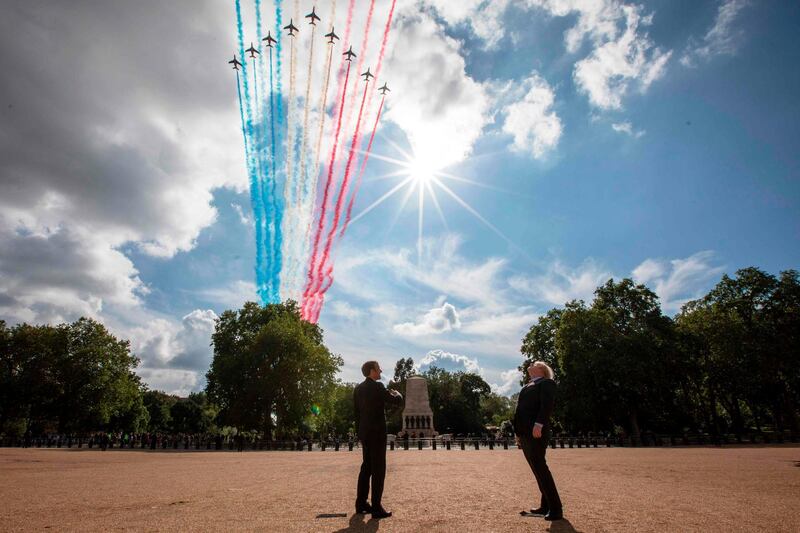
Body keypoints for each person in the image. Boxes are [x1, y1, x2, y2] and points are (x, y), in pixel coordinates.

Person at [513, 361, 563, 521]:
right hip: (525, 432)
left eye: (535, 363)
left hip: (536, 430)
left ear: (541, 369)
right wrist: (518, 433)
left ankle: (556, 508)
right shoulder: (528, 385)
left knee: (541, 468)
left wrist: (539, 424)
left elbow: (546, 405)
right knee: (536, 469)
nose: (530, 364)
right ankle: (546, 505)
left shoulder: (546, 383)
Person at [353, 360, 403, 519]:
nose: (381, 370)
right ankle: (376, 507)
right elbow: (396, 402)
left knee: (366, 468)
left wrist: (359, 433)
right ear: (372, 371)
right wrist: (398, 394)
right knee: (378, 470)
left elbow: (356, 414)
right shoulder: (377, 387)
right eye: (378, 368)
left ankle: (361, 503)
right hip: (377, 433)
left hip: (365, 433)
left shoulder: (358, 389)